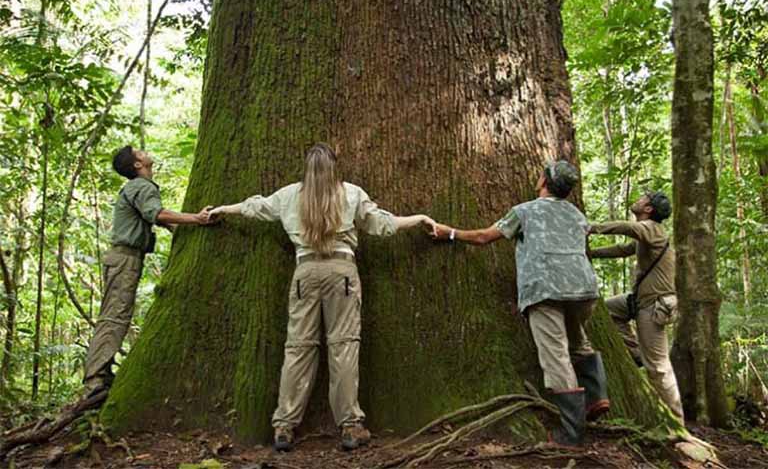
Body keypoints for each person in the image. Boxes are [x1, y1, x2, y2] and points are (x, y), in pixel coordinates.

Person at [208, 143, 436, 452]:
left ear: (307, 168)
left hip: (305, 271)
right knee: (343, 345)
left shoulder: (289, 195)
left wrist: (224, 208)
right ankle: (351, 427)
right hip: (341, 271)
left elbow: (256, 207)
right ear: (334, 167)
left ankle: (284, 427)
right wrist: (419, 218)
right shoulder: (352, 193)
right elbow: (381, 224)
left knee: (298, 347)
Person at [432, 160, 608, 447]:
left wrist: (449, 232)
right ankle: (597, 396)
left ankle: (572, 433)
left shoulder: (525, 211)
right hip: (583, 290)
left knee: (556, 356)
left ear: (543, 181)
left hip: (545, 290)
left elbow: (483, 237)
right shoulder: (577, 215)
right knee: (578, 341)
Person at [82, 146, 213, 398]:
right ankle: (95, 381)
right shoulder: (142, 187)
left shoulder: (136, 189)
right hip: (125, 259)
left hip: (122, 258)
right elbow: (157, 214)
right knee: (115, 316)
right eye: (139, 152)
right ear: (137, 165)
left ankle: (101, 374)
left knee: (115, 313)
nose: (144, 152)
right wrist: (197, 219)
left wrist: (179, 227)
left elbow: (160, 219)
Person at [588, 191, 684, 423]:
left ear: (649, 209)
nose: (638, 200)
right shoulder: (647, 235)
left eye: (643, 198)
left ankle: (676, 421)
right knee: (607, 310)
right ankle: (636, 353)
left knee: (659, 367)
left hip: (654, 305)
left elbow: (627, 228)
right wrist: (590, 254)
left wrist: (591, 227)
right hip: (639, 300)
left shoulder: (651, 228)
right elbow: (624, 250)